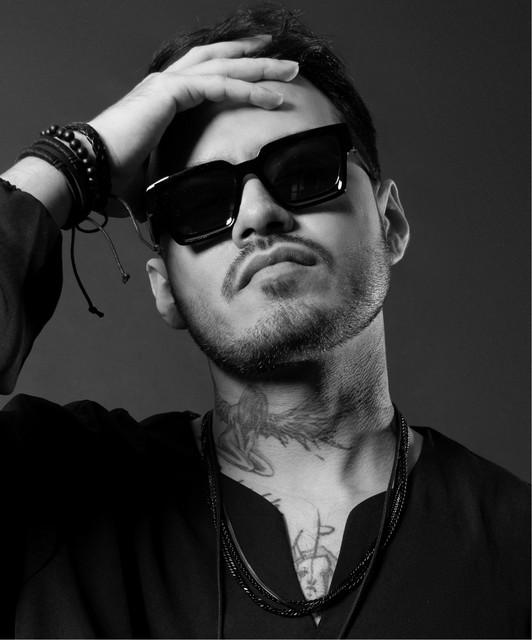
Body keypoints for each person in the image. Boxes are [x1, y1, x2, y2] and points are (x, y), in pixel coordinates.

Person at [0, 5, 529, 639]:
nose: (257, 215)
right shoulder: (43, 485)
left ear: (389, 223)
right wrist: (70, 159)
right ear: (165, 290)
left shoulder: (518, 547)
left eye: (304, 171)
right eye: (199, 202)